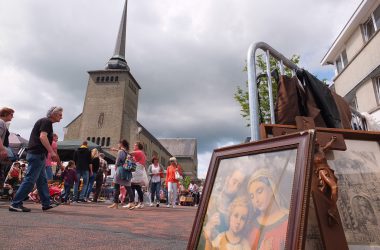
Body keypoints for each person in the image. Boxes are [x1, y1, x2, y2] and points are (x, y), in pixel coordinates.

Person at [9, 106, 63, 212]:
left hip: (38, 155)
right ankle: (16, 203)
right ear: (53, 114)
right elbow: (43, 137)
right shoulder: (46, 122)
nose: (61, 117)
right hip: (37, 154)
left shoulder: (46, 122)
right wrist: (51, 152)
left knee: (42, 180)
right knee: (30, 179)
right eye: (60, 115)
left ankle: (46, 203)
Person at [201, 167, 246, 244]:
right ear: (228, 179)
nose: (235, 188)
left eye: (239, 185)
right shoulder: (211, 199)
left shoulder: (238, 208)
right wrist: (208, 226)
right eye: (234, 182)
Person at [247, 169, 289, 250]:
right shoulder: (251, 225)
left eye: (259, 191)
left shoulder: (289, 220)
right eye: (252, 196)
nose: (256, 200)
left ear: (272, 189)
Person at [108, 139, 134, 209]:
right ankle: (132, 203)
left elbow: (118, 161)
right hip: (127, 172)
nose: (118, 145)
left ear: (121, 144)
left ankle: (115, 203)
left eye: (118, 144)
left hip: (120, 171)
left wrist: (116, 166)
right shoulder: (127, 152)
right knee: (128, 188)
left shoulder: (120, 152)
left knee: (116, 187)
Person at [130, 141, 147, 209]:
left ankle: (133, 203)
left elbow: (129, 153)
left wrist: (120, 150)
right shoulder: (140, 153)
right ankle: (140, 203)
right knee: (136, 187)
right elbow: (133, 160)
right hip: (138, 170)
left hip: (137, 170)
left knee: (132, 186)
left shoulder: (139, 152)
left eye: (135, 145)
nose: (134, 146)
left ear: (138, 146)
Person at [0, 107, 15, 184]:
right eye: (11, 114)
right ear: (5, 114)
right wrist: (2, 150)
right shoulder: (1, 122)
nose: (13, 116)